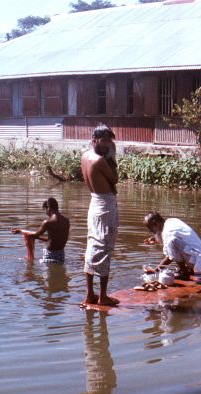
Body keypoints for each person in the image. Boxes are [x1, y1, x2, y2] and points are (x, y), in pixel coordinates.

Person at [81, 124, 120, 306]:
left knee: (93, 245)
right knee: (104, 249)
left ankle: (90, 294)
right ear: (94, 140)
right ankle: (102, 296)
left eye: (109, 141)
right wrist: (112, 157)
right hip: (105, 206)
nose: (106, 145)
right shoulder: (100, 161)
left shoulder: (85, 156)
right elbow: (115, 179)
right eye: (103, 141)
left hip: (94, 203)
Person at [143, 211, 201, 279]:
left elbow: (170, 257)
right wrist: (156, 238)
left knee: (172, 241)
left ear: (156, 223)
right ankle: (186, 269)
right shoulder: (171, 221)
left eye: (150, 229)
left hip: (198, 260)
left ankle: (184, 272)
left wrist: (156, 270)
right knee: (172, 242)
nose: (151, 232)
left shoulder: (168, 234)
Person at [12, 197, 70, 263]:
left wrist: (21, 231)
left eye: (45, 210)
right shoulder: (66, 221)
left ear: (48, 208)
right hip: (61, 255)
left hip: (50, 255)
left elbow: (36, 234)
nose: (46, 213)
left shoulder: (48, 222)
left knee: (31, 264)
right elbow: (54, 239)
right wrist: (38, 237)